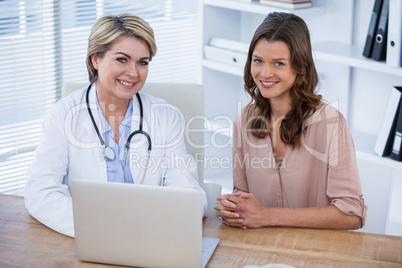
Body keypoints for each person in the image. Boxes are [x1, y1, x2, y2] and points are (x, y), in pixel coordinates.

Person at [24, 13, 207, 237]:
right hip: (89, 237)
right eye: (122, 59)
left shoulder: (165, 116)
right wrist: (103, 229)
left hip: (151, 238)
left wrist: (154, 227)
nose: (133, 73)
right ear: (96, 59)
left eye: (142, 62)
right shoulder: (63, 115)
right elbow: (40, 192)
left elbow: (189, 194)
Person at [214, 12, 367, 230]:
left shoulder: (330, 122)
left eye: (278, 63)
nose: (265, 73)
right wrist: (234, 209)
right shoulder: (244, 121)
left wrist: (267, 216)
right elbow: (243, 196)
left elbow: (352, 215)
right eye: (258, 61)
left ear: (299, 66)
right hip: (262, 253)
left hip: (314, 253)